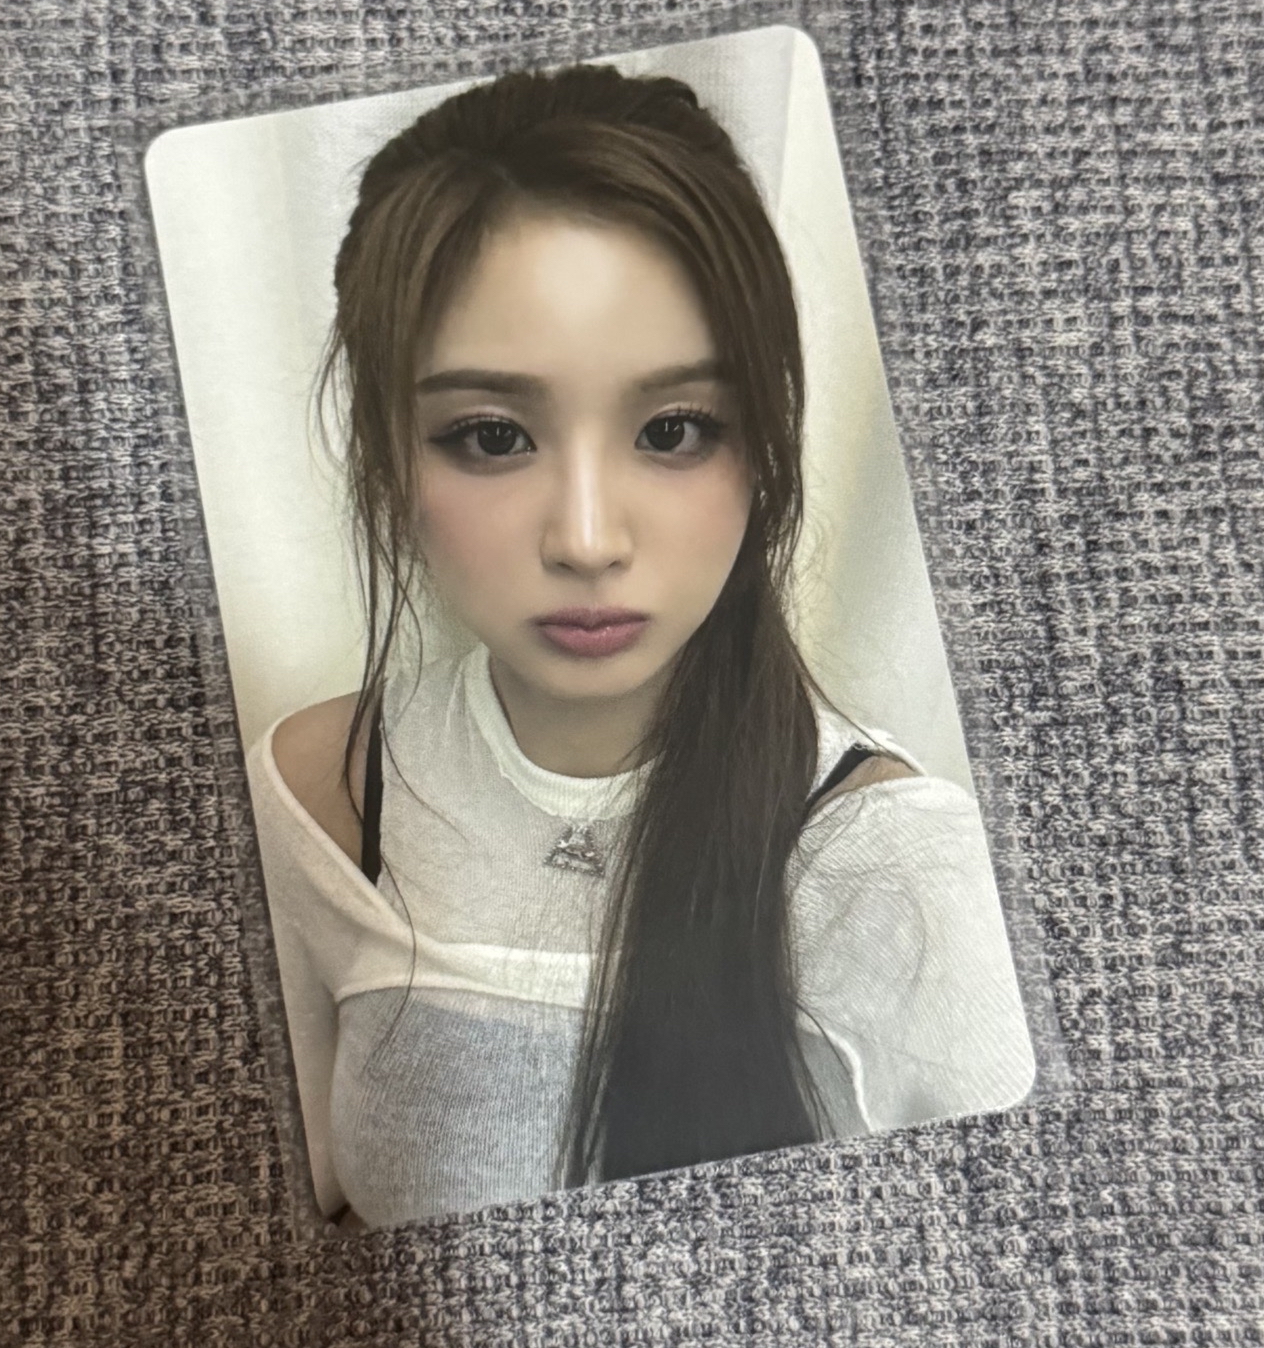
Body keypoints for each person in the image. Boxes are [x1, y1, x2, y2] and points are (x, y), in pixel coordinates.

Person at [242, 62, 1035, 1231]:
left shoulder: (899, 876)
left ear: (763, 449)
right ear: (385, 458)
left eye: (673, 430)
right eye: (491, 436)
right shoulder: (317, 796)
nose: (587, 539)